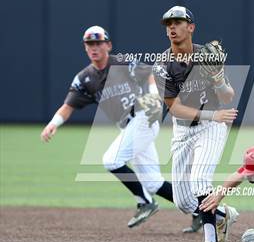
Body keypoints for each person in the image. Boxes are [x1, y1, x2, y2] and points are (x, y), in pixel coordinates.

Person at [40, 25, 198, 231]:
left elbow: (148, 73)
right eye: (89, 44)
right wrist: (53, 123)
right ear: (85, 48)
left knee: (112, 160)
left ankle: (145, 202)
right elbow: (68, 105)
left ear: (108, 45)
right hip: (130, 126)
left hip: (144, 116)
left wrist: (151, 93)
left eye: (98, 43)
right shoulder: (84, 79)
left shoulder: (122, 62)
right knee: (153, 183)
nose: (94, 48)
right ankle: (201, 211)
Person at [153, 6, 239, 242]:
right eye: (168, 23)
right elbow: (174, 108)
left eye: (178, 22)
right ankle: (223, 215)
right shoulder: (162, 64)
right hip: (185, 129)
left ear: (191, 27)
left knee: (200, 180)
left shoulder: (207, 55)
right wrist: (213, 115)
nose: (172, 27)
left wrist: (219, 79)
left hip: (211, 128)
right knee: (184, 203)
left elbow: (227, 96)